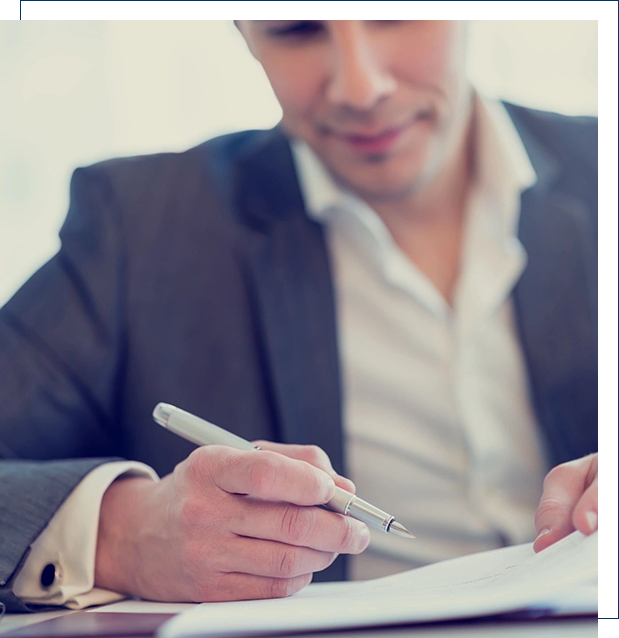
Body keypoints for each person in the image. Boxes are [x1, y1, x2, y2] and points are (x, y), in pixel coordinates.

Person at [0, 21, 597, 612]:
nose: (360, 89)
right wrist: (121, 536)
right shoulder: (142, 226)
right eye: (297, 31)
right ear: (244, 34)